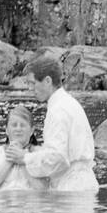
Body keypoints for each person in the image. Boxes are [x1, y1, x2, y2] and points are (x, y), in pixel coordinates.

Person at [14, 56, 99, 191]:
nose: (30, 88)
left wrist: (25, 158)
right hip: (82, 183)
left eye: (32, 83)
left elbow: (58, 158)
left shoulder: (58, 110)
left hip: (72, 187)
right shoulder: (68, 102)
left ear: (47, 81)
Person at [0, 105, 47, 191]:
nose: (18, 129)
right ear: (6, 130)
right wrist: (10, 158)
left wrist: (23, 159)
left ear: (32, 130)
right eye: (14, 125)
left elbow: (43, 190)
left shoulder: (41, 154)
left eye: (22, 125)